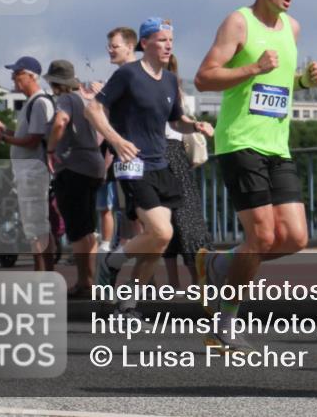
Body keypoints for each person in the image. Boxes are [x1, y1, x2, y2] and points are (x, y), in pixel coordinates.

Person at [193, 0, 317, 349]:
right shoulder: (238, 22)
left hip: (277, 145)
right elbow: (203, 78)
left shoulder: (293, 28)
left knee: (296, 238)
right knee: (263, 237)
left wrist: (303, 80)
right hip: (239, 141)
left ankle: (217, 263)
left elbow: (280, 85)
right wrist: (252, 68)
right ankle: (225, 321)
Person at [86, 18, 214, 320]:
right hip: (132, 163)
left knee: (159, 241)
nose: (168, 45)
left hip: (161, 163)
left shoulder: (169, 81)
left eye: (171, 40)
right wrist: (117, 141)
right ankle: (112, 262)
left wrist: (194, 125)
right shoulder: (128, 75)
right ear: (145, 44)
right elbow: (91, 108)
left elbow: (175, 120)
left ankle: (127, 305)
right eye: (161, 40)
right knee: (161, 230)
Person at [0, 56, 56, 271]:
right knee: (34, 225)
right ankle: (43, 272)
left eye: (18, 74)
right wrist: (4, 131)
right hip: (30, 171)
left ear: (31, 76)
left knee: (36, 225)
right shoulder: (33, 103)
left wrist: (3, 138)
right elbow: (28, 136)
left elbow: (33, 140)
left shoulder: (39, 102)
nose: (13, 78)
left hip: (34, 172)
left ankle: (42, 273)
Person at [44, 59, 106, 297]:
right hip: (93, 166)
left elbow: (61, 122)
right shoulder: (84, 99)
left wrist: (51, 149)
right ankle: (89, 280)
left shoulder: (65, 100)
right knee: (88, 227)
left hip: (74, 168)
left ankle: (85, 283)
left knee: (77, 229)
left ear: (55, 83)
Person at [160, 53, 213, 287]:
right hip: (173, 153)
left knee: (176, 219)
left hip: (166, 152)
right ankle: (197, 280)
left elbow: (176, 123)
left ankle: (180, 282)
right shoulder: (175, 86)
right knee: (183, 219)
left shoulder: (166, 87)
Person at [95, 26, 138, 252]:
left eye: (114, 46)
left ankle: (138, 274)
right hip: (126, 154)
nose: (110, 50)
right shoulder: (126, 74)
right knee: (128, 211)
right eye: (108, 46)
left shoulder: (129, 74)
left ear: (130, 47)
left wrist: (101, 97)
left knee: (137, 214)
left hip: (133, 153)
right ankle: (142, 279)